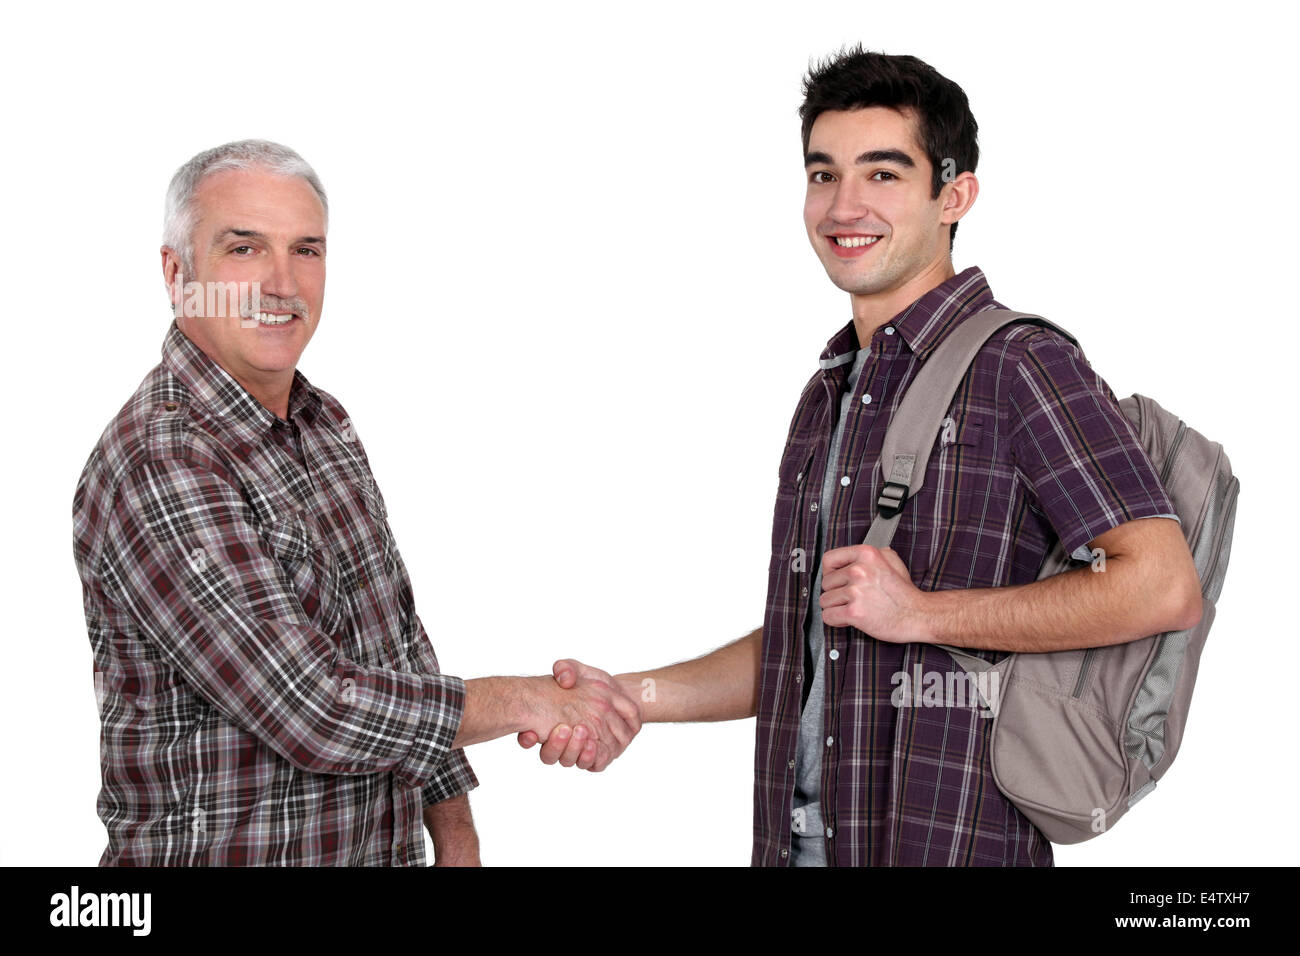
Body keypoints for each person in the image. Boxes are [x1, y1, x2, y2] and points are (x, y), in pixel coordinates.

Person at [521, 47, 1203, 866]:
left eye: (883, 174)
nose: (844, 205)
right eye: (823, 174)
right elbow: (811, 639)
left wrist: (921, 614)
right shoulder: (832, 391)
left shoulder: (1019, 365)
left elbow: (1161, 584)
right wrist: (632, 697)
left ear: (953, 195)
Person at [72, 140, 641, 866]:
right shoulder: (163, 459)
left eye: (306, 250)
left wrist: (458, 837)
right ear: (179, 275)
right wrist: (530, 700)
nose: (283, 283)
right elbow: (310, 708)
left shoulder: (324, 423)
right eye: (245, 249)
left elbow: (398, 648)